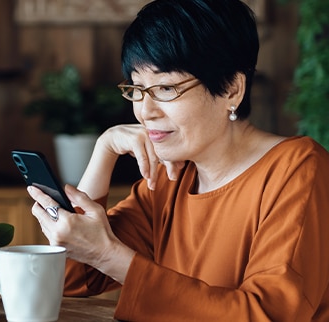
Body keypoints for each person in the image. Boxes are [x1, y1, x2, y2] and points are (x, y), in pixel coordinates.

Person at [27, 0, 329, 320]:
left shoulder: (299, 170)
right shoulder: (172, 177)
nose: (146, 111)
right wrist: (104, 151)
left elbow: (268, 315)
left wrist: (109, 256)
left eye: (167, 88)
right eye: (138, 89)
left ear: (231, 89)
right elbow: (71, 276)